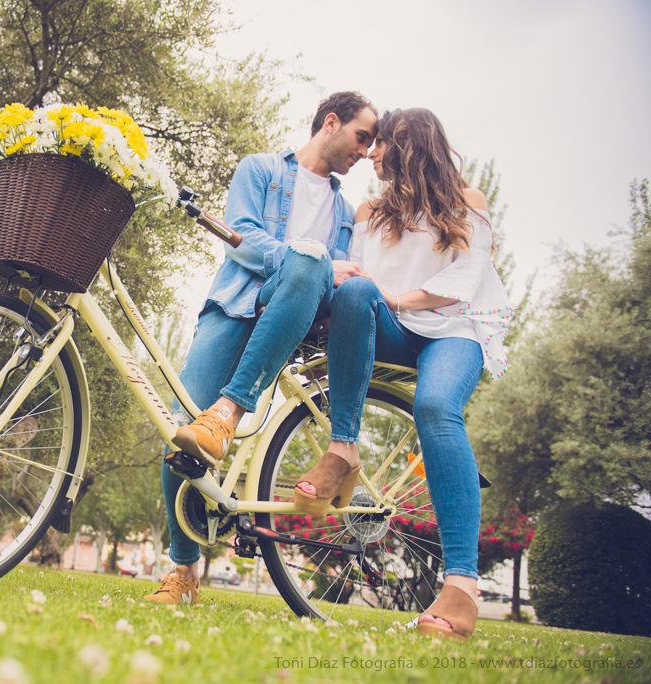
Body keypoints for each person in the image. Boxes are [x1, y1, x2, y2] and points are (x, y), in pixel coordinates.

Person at [144, 92, 379, 605]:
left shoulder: (344, 211)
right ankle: (184, 570)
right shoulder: (262, 169)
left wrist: (318, 269)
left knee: (314, 264)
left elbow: (336, 277)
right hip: (234, 306)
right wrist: (303, 258)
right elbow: (241, 236)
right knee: (178, 434)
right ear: (331, 123)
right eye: (362, 137)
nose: (365, 151)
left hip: (286, 322)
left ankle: (229, 410)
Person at [294, 108, 511, 640]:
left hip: (452, 331)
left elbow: (467, 275)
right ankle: (343, 447)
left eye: (380, 143)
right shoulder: (371, 210)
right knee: (354, 289)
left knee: (436, 409)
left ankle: (461, 588)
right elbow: (356, 280)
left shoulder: (468, 204)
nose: (370, 154)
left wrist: (401, 298)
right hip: (393, 326)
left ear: (407, 144)